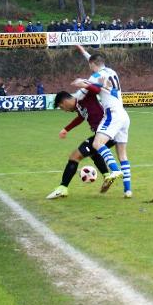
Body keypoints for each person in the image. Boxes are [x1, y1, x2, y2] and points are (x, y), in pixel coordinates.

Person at [72, 45, 132, 197]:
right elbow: (93, 61)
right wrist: (83, 51)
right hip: (124, 115)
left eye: (90, 65)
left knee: (97, 144)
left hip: (112, 114)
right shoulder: (112, 71)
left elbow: (84, 92)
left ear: (92, 65)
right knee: (123, 155)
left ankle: (115, 170)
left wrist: (75, 92)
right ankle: (128, 190)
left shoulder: (94, 76)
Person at [46, 91, 118, 199]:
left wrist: (85, 83)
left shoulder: (84, 96)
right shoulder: (79, 106)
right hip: (108, 134)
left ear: (64, 102)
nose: (64, 111)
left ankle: (63, 188)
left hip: (107, 132)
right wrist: (66, 129)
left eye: (62, 107)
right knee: (94, 153)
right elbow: (80, 117)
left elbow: (94, 89)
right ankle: (107, 176)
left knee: (74, 156)